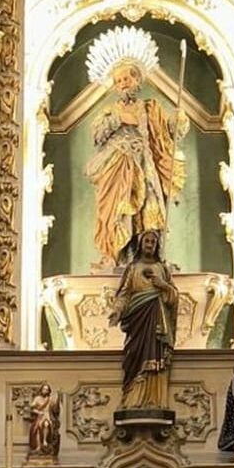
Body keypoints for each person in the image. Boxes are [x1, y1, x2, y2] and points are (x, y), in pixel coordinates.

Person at [85, 26, 188, 269]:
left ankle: (149, 258)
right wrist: (118, 119)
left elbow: (169, 135)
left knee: (148, 210)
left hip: (145, 165)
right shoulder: (110, 111)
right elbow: (97, 135)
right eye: (118, 80)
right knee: (117, 213)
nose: (123, 83)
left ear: (137, 80)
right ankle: (116, 257)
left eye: (127, 78)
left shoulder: (150, 108)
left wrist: (180, 120)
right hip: (117, 167)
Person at [108, 230, 178, 411]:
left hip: (157, 318)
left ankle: (155, 400)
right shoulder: (133, 268)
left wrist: (162, 285)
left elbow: (174, 296)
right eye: (146, 241)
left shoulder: (162, 269)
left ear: (156, 246)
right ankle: (133, 398)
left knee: (156, 358)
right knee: (135, 355)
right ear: (141, 244)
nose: (149, 244)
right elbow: (124, 294)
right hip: (137, 320)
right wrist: (117, 310)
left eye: (152, 242)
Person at [27, 383, 60, 463]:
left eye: (47, 389)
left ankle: (45, 441)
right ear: (41, 390)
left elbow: (55, 409)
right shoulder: (37, 398)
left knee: (46, 424)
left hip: (47, 416)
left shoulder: (49, 399)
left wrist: (58, 399)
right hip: (39, 416)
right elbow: (31, 407)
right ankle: (38, 446)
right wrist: (38, 412)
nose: (45, 391)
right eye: (44, 389)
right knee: (37, 428)